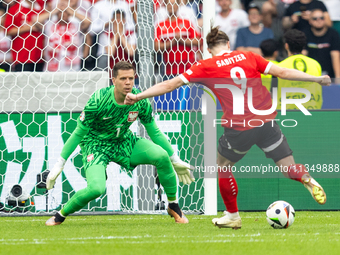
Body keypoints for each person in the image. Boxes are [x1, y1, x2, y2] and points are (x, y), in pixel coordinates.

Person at [124, 27, 330, 229]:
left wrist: (139, 95)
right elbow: (283, 72)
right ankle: (304, 176)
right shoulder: (248, 56)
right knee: (287, 168)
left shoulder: (205, 65)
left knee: (222, 166)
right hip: (267, 122)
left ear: (209, 49)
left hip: (240, 127)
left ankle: (232, 215)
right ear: (229, 44)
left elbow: (170, 84)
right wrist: (317, 79)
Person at [45, 61, 194, 226]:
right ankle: (61, 214)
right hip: (96, 145)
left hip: (123, 141)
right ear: (113, 80)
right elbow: (78, 133)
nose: (128, 82)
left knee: (161, 155)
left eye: (131, 78)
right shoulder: (98, 100)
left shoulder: (140, 100)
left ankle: (173, 205)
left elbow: (155, 132)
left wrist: (174, 159)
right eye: (123, 78)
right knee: (96, 189)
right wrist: (60, 164)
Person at [278, 29, 323, 109]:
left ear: (286, 45)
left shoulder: (280, 66)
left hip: (288, 115)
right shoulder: (315, 64)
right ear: (303, 46)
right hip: (312, 112)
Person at [4, 0, 46, 72]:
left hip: (39, 57)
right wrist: (29, 27)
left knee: (38, 82)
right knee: (23, 82)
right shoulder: (15, 8)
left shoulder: (41, 7)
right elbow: (8, 31)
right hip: (22, 57)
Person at [303, 8, 340, 78]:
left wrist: (338, 78)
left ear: (325, 19)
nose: (318, 20)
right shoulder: (305, 34)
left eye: (321, 18)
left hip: (329, 75)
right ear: (310, 21)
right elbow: (303, 56)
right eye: (315, 18)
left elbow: (335, 56)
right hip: (310, 75)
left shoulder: (333, 34)